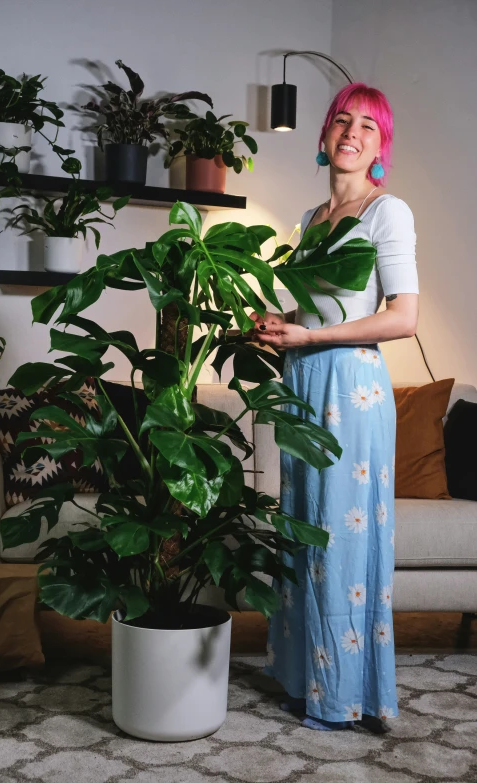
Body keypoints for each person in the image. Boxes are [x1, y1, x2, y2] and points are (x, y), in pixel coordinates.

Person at [254, 83, 419, 732]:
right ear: (324, 138)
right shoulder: (309, 218)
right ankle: (303, 679)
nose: (352, 133)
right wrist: (278, 325)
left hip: (349, 392)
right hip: (301, 383)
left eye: (368, 127)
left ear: (380, 147)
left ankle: (347, 694)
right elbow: (315, 309)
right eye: (341, 121)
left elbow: (403, 317)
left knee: (342, 543)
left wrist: (310, 337)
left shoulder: (388, 212)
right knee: (302, 531)